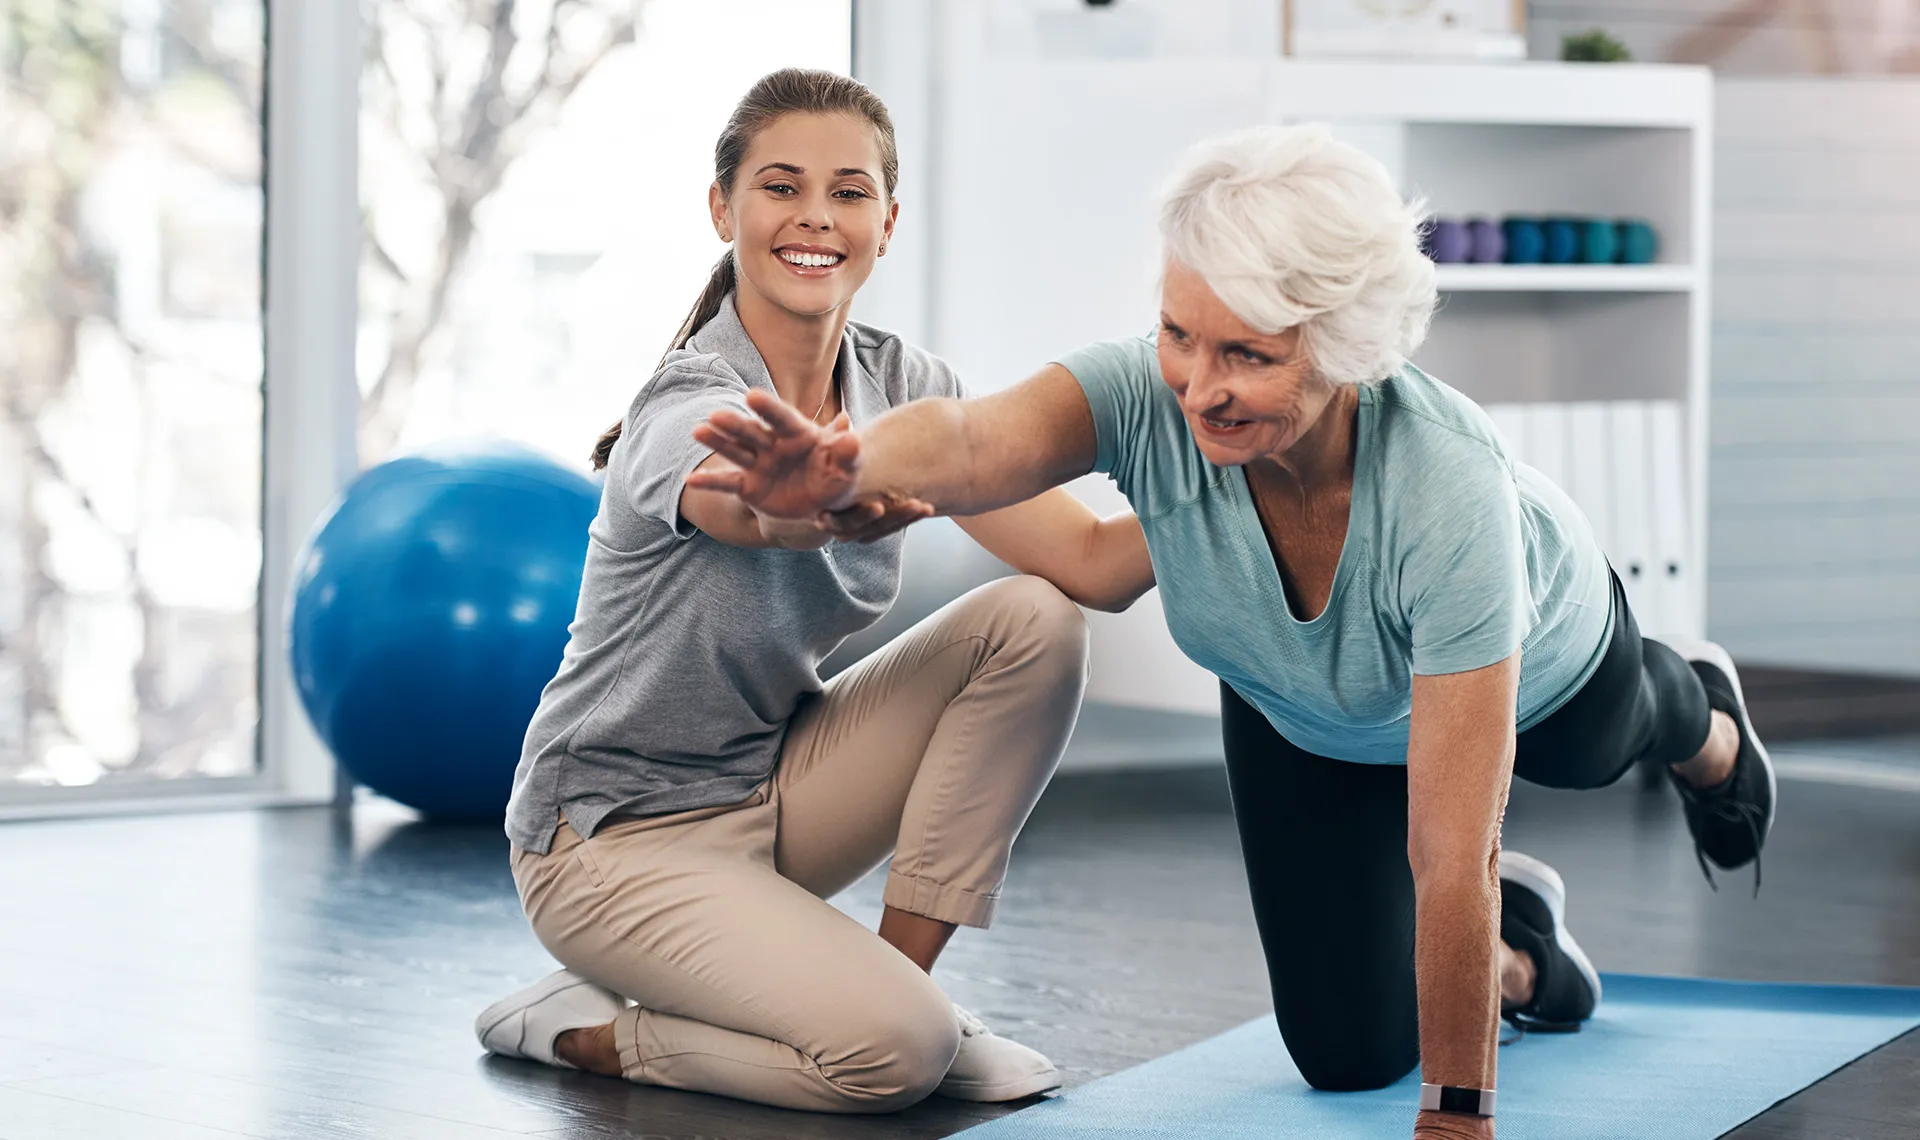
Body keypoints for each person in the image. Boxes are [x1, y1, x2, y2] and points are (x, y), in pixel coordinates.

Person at [690, 123, 1776, 1139]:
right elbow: (977, 443)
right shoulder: (1147, 396)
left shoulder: (1448, 496)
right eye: (1179, 335)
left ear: (1347, 346)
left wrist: (1460, 1114)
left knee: (1603, 741)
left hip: (1549, 671)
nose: (1199, 390)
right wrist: (849, 466)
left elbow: (1451, 853)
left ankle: (1706, 715)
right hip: (1303, 710)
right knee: (1347, 1058)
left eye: (1249, 357)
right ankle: (1519, 957)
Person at [472, 69, 1152, 1114]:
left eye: (847, 191)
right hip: (608, 841)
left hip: (771, 791)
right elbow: (749, 509)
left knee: (1034, 619)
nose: (815, 219)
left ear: (886, 219)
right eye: (781, 187)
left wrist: (1252, 468)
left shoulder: (909, 388)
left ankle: (898, 988)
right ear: (723, 209)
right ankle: (590, 1031)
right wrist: (807, 505)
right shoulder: (689, 400)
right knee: (889, 1062)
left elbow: (1095, 567)